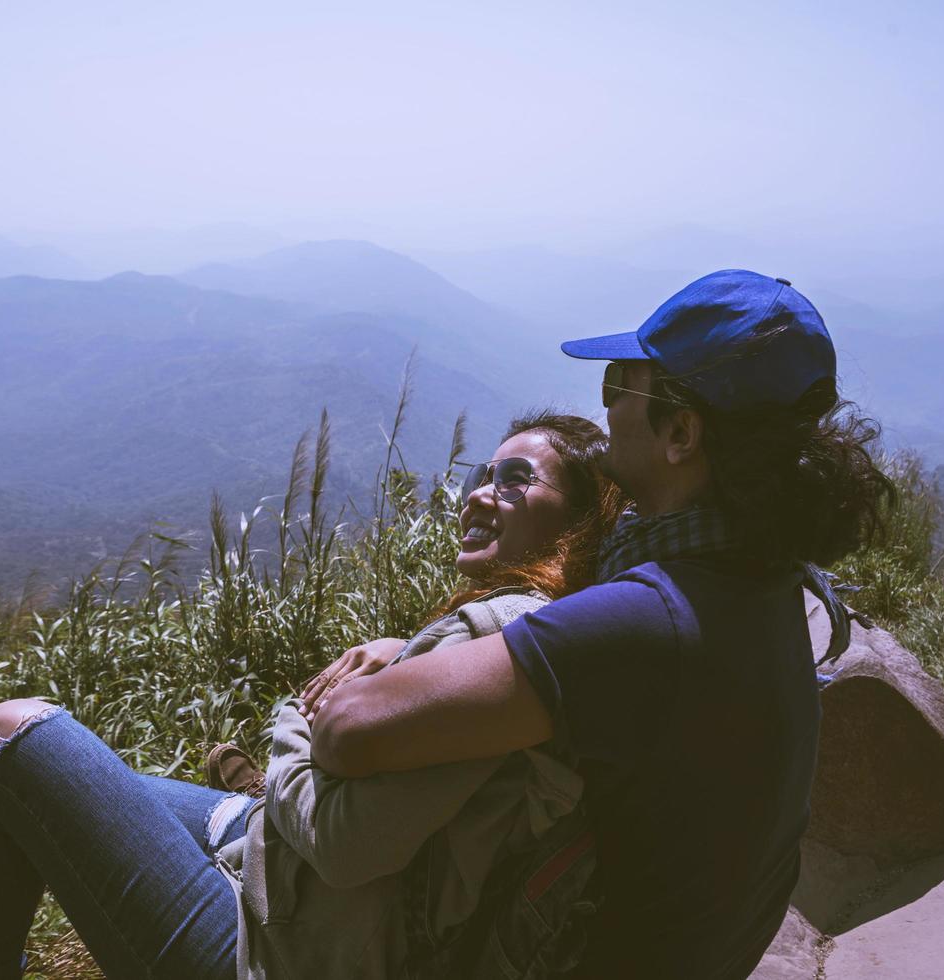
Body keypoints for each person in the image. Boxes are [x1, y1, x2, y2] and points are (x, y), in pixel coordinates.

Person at [310, 269, 896, 979]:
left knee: (134, 797)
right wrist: (413, 653)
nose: (609, 401)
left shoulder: (650, 618)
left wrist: (313, 710)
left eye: (622, 380)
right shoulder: (764, 586)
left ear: (680, 432)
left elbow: (348, 731)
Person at [0, 411, 622, 979]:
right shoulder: (536, 630)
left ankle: (264, 791)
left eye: (514, 480)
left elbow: (348, 848)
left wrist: (294, 719)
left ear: (579, 523)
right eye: (480, 474)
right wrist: (392, 655)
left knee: (3, 740)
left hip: (278, 951)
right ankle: (258, 799)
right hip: (303, 897)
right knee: (92, 789)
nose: (477, 493)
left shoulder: (503, 638)